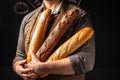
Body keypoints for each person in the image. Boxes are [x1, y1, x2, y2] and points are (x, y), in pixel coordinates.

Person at [12, 0, 95, 80]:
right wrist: (18, 68)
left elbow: (86, 60)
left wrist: (45, 68)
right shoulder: (28, 19)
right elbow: (20, 55)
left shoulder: (79, 16)